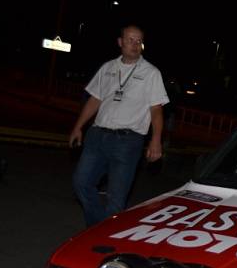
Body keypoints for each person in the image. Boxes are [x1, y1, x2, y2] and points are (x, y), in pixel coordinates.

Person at [70, 25, 169, 227]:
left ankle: (101, 238)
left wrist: (156, 140)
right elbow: (94, 100)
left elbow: (156, 109)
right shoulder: (108, 68)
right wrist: (78, 126)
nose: (134, 44)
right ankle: (99, 227)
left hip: (127, 141)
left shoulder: (151, 73)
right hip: (97, 136)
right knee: (81, 183)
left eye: (138, 41)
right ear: (120, 42)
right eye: (130, 40)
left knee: (116, 198)